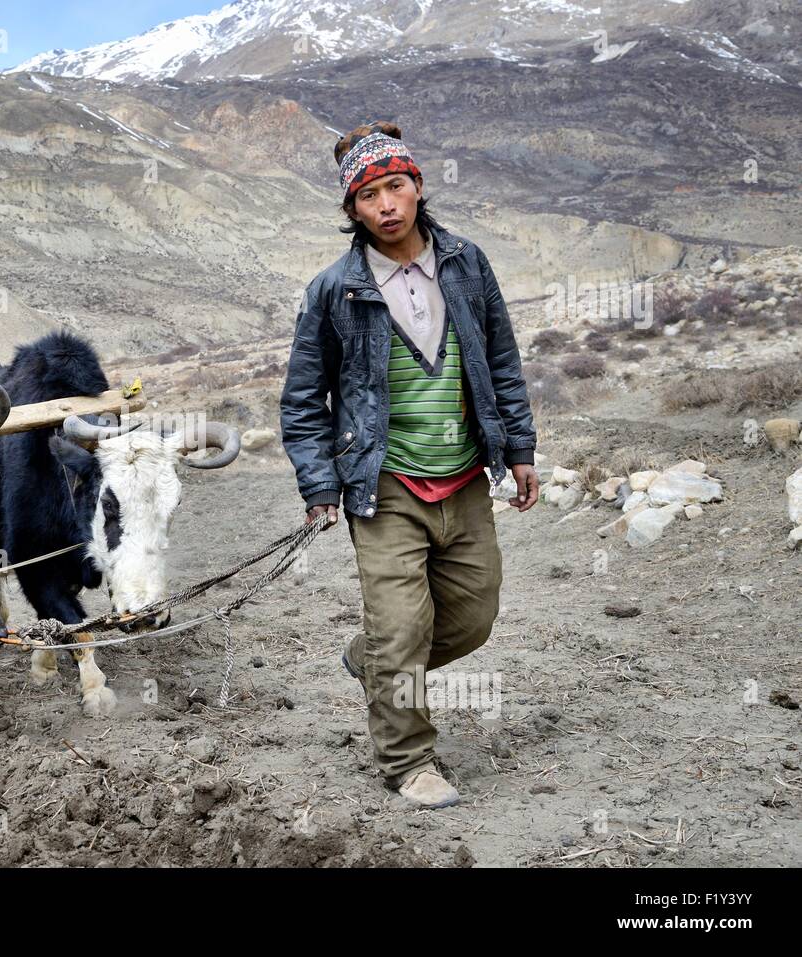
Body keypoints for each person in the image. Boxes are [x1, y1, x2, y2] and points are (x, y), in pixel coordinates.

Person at [280, 121, 540, 809]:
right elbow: (303, 400)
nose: (386, 204)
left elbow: (502, 361)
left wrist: (519, 449)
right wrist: (319, 484)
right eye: (368, 195)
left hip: (464, 476)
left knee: (473, 616)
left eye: (396, 185)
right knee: (401, 627)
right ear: (351, 211)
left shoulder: (467, 263)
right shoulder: (333, 290)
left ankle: (369, 663)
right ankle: (409, 761)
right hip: (385, 485)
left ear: (419, 186)